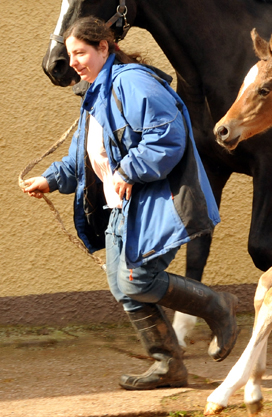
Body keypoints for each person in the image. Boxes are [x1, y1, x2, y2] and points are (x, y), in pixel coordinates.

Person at [22, 17, 238, 390]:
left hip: (152, 203)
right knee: (123, 286)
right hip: (120, 207)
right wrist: (51, 179)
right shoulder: (96, 92)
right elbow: (86, 156)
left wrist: (126, 172)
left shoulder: (132, 82)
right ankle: (167, 365)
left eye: (80, 52)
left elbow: (166, 138)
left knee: (138, 279)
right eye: (71, 54)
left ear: (104, 47)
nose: (73, 61)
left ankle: (217, 306)